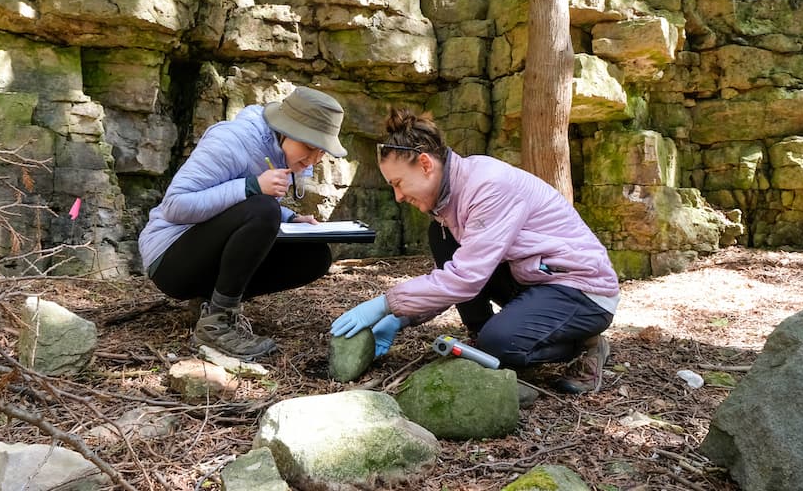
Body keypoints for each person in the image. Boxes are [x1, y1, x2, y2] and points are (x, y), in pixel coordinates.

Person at [330, 108, 619, 393]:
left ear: (425, 164)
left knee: (498, 347)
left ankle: (586, 345)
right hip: (534, 277)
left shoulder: (488, 186)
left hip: (582, 289)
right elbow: (460, 272)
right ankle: (483, 331)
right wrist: (401, 318)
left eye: (398, 183)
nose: (398, 196)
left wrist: (386, 305)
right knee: (442, 237)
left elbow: (466, 277)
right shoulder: (451, 199)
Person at [139, 86, 348, 361]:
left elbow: (239, 209)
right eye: (309, 147)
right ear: (285, 130)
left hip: (203, 253)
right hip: (168, 258)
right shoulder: (232, 140)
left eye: (322, 152)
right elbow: (175, 205)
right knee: (263, 209)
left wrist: (291, 218)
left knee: (315, 256)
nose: (313, 160)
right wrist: (252, 186)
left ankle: (209, 302)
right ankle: (217, 324)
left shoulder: (283, 153)